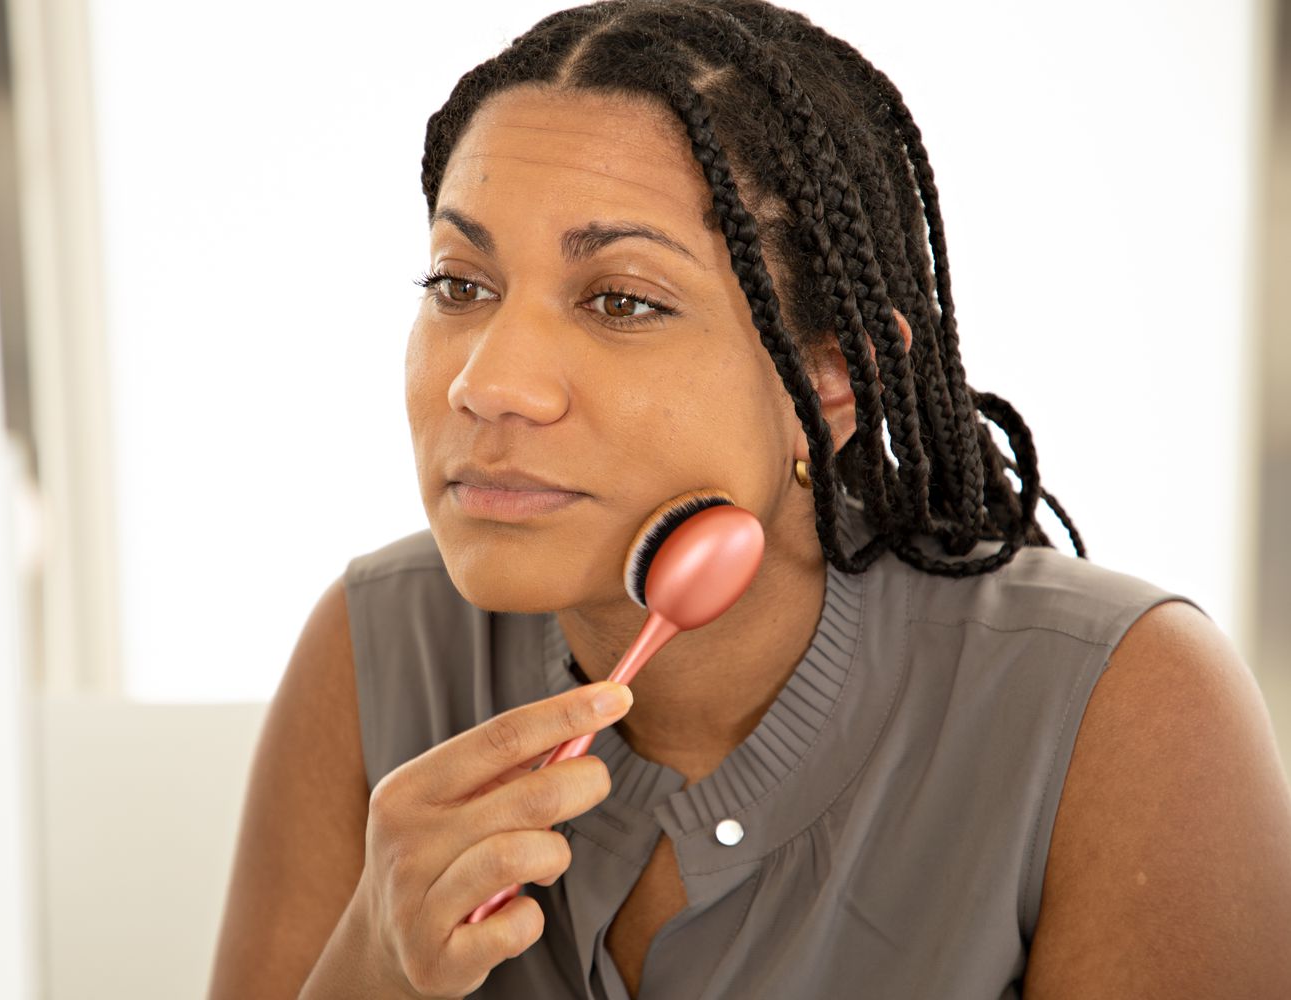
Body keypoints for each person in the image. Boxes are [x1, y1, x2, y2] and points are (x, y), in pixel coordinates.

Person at [209, 2, 1291, 997]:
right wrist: (370, 965)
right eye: (460, 284)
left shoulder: (1122, 707)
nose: (485, 381)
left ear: (833, 380)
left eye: (621, 299)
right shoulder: (372, 647)